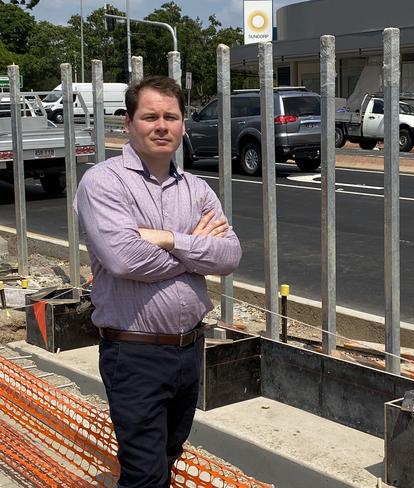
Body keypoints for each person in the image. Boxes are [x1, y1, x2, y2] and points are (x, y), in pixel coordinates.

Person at [75, 75, 241, 487]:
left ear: (184, 124)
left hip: (189, 350)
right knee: (144, 473)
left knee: (168, 456)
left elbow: (230, 255)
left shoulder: (197, 189)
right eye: (150, 116)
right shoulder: (104, 182)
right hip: (134, 353)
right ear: (129, 122)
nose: (161, 126)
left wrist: (168, 239)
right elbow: (125, 259)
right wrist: (194, 251)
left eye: (171, 116)